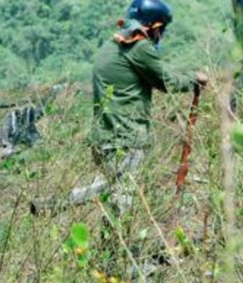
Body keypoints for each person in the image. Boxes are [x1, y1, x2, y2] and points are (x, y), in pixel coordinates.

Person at [39, 0, 207, 222]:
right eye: (162, 30)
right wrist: (195, 79)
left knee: (114, 187)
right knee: (123, 200)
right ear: (154, 27)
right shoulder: (139, 47)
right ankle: (114, 245)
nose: (161, 35)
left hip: (103, 138)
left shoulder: (111, 45)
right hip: (126, 138)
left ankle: (58, 204)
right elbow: (166, 81)